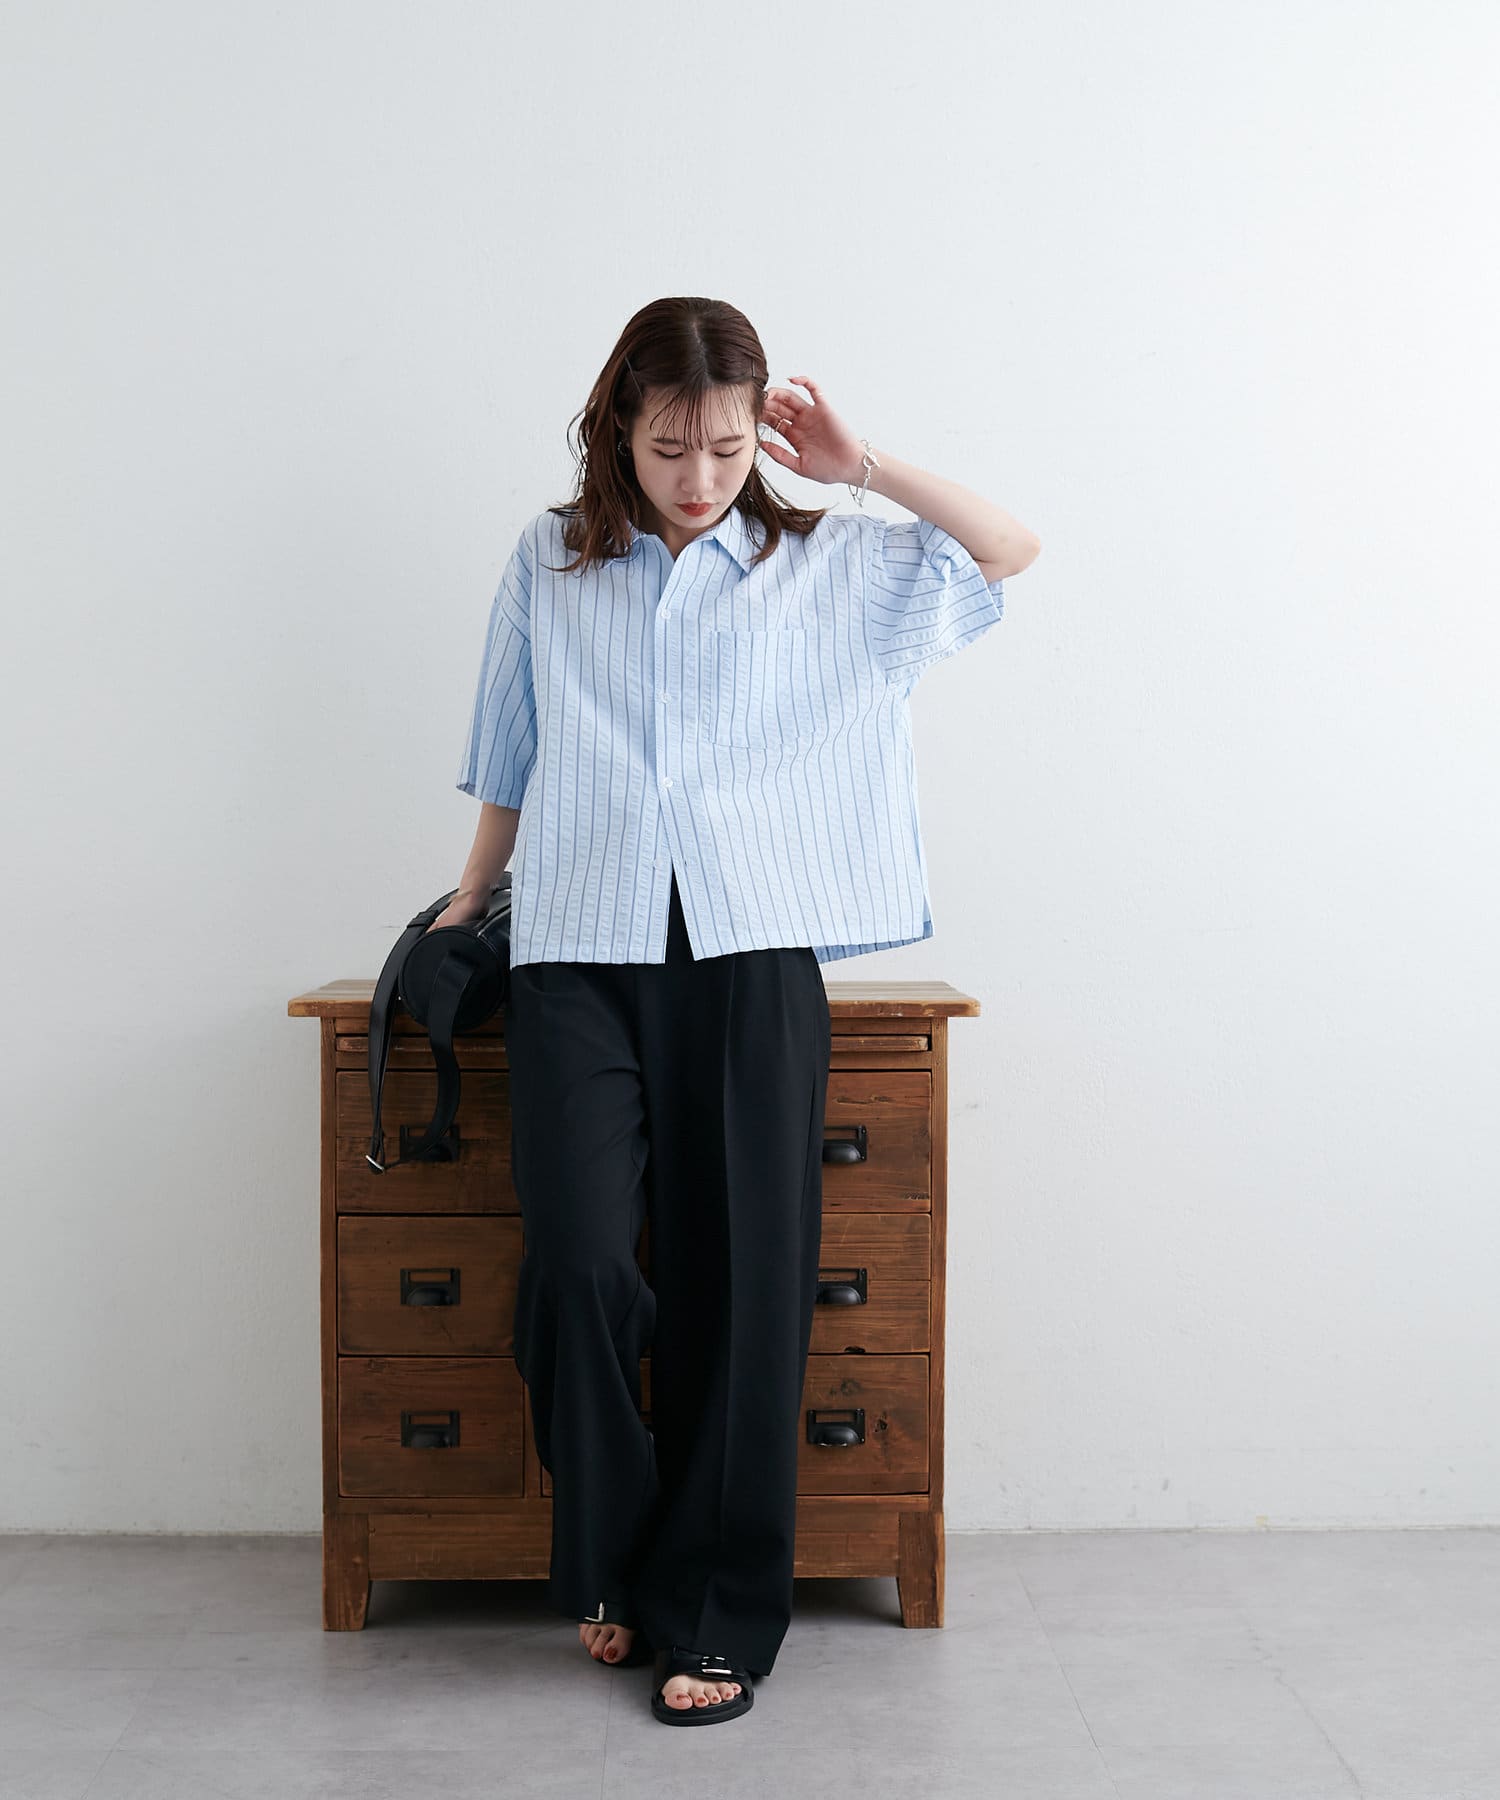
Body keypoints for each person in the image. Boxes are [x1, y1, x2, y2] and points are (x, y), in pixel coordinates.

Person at [435, 297, 1041, 1726]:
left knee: (746, 1282)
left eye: (721, 446)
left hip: (753, 949)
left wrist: (861, 465)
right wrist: (466, 906)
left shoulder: (825, 563)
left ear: (756, 433)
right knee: (581, 1262)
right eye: (667, 447)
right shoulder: (549, 558)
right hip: (576, 948)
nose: (698, 476)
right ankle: (613, 1552)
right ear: (617, 432)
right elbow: (509, 753)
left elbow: (1009, 551)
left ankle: (712, 1614)